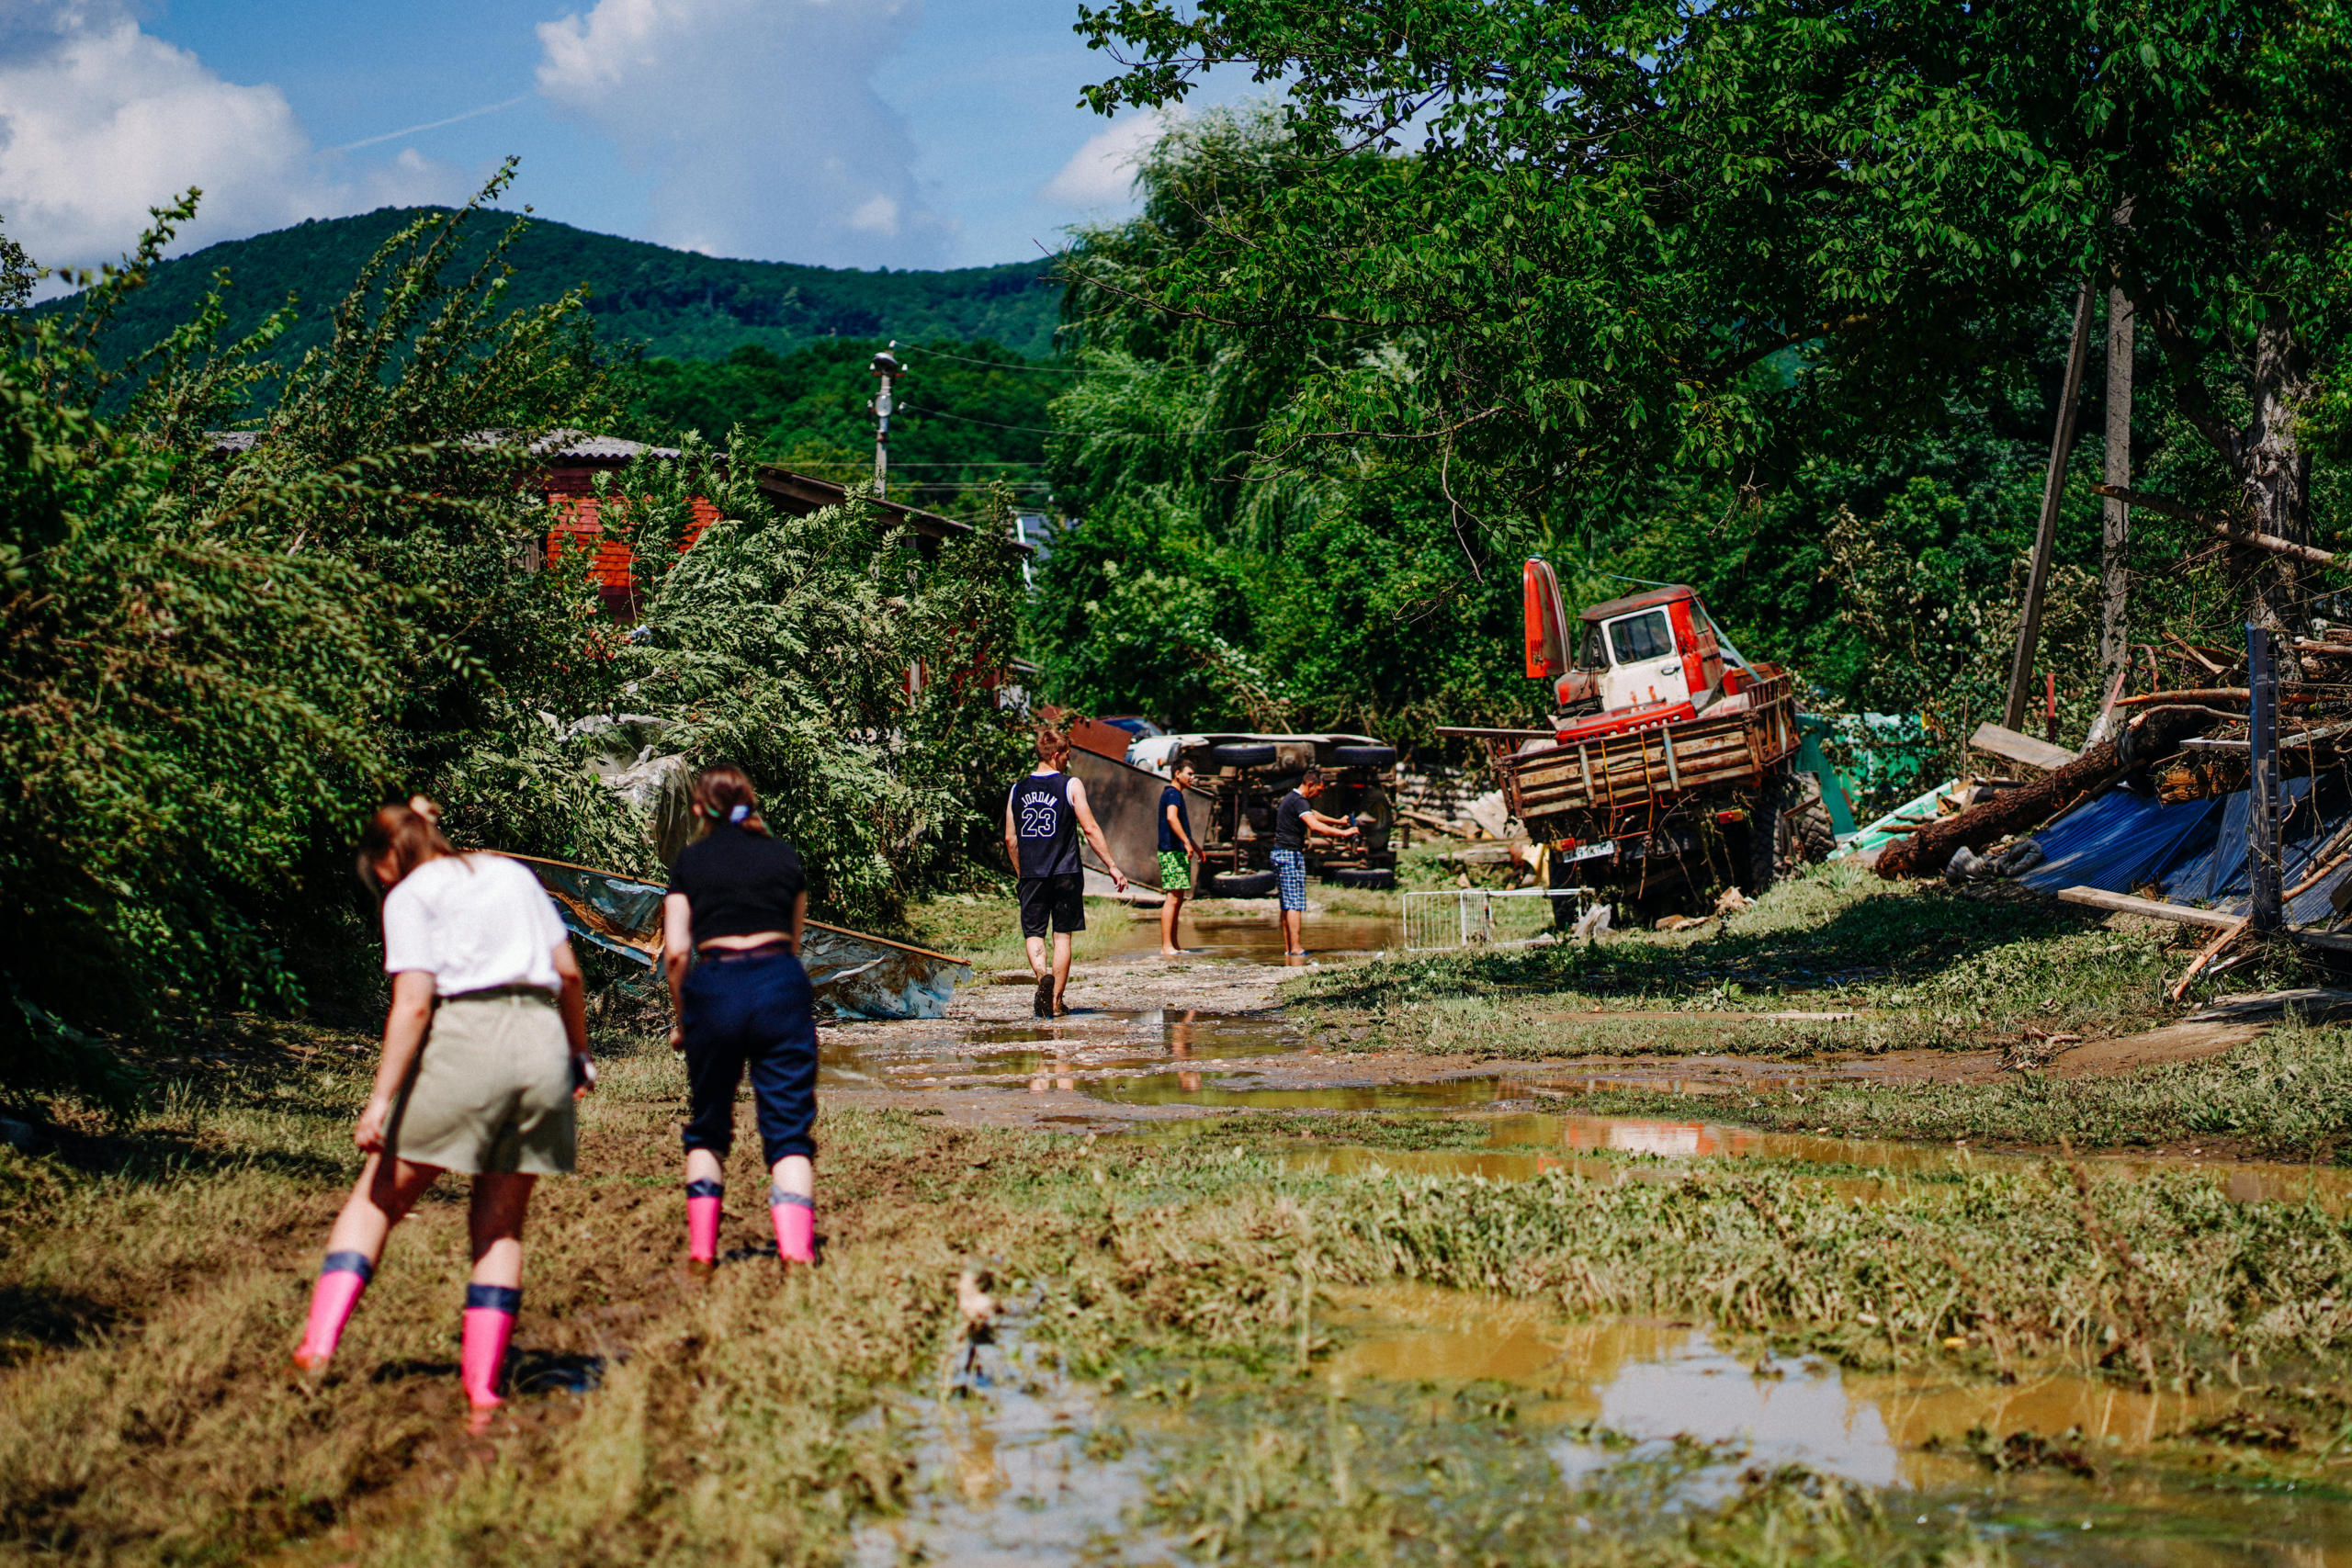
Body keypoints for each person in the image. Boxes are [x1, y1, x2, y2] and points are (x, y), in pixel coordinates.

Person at [293, 797, 594, 1426]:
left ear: (383, 863)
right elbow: (568, 974)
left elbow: (414, 1004)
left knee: (377, 1198)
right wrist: (578, 1055)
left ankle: (317, 1347)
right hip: (538, 1044)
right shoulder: (511, 873)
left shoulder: (409, 895)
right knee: (501, 1226)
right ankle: (482, 1388)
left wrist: (380, 1101)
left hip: (468, 1036)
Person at [661, 765, 820, 1270]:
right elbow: (793, 943)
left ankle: (703, 1253)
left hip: (717, 988)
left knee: (708, 1124)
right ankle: (796, 1251)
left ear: (698, 809)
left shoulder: (691, 861)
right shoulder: (784, 857)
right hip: (779, 984)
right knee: (789, 1129)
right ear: (750, 802)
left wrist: (684, 1018)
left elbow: (677, 954)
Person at [1004, 728, 1126, 1017]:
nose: (1068, 762)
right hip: (1066, 872)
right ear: (1057, 756)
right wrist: (1111, 865)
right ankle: (1056, 1002)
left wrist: (1022, 873)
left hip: (1032, 873)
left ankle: (1041, 977)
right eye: (1067, 756)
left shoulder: (1016, 789)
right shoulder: (1071, 785)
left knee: (1033, 933)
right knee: (1062, 936)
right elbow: (1090, 828)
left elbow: (1010, 839)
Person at [1271, 768, 1363, 958]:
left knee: (1286, 904)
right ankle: (1296, 949)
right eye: (1319, 790)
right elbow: (1314, 825)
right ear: (1310, 784)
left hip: (1279, 853)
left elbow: (1312, 814)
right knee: (1294, 904)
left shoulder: (1293, 799)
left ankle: (1289, 949)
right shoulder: (1299, 800)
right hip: (1289, 855)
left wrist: (1337, 822)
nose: (1320, 794)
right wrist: (1344, 833)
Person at [1157, 760, 1206, 958]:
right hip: (1171, 852)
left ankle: (1174, 944)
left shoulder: (1175, 794)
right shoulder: (1173, 793)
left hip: (1176, 851)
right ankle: (1166, 945)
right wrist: (1186, 842)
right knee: (1172, 898)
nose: (1192, 778)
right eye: (1190, 774)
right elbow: (1171, 818)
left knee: (1178, 899)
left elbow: (1182, 827)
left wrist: (1195, 847)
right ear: (1177, 773)